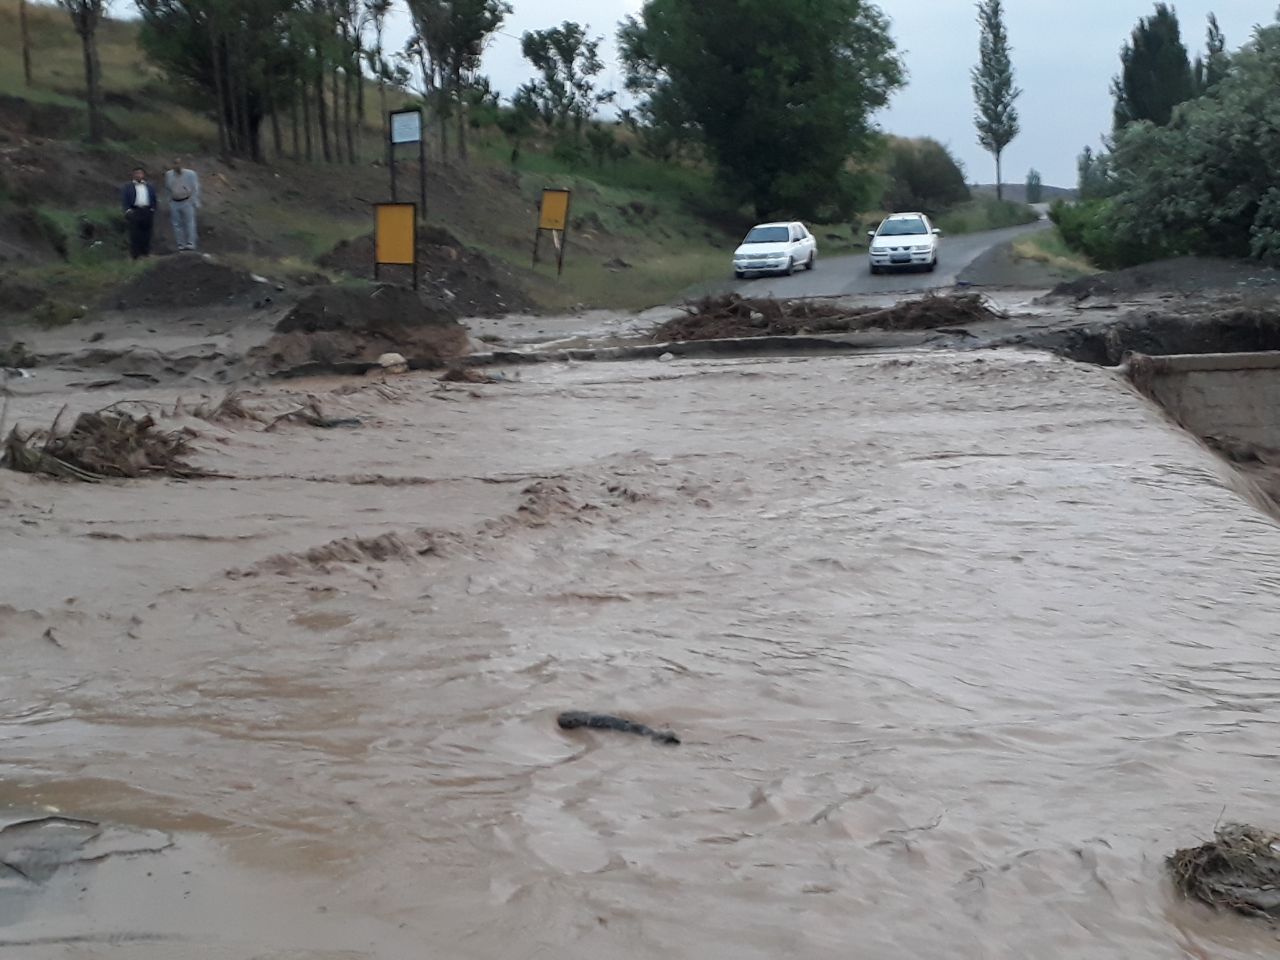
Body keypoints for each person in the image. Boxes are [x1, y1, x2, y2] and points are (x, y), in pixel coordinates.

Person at [164, 158, 201, 252]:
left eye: (179, 163)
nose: (177, 166)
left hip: (187, 201)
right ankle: (181, 244)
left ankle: (191, 243)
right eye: (175, 164)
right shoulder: (169, 175)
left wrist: (193, 200)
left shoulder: (190, 174)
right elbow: (167, 188)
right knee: (177, 224)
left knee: (189, 223)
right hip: (174, 201)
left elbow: (195, 187)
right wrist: (169, 200)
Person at [120, 166, 157, 259]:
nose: (138, 175)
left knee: (147, 233)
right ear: (133, 175)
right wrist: (127, 210)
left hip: (147, 210)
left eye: (140, 173)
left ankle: (146, 253)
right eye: (136, 173)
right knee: (135, 233)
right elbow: (124, 199)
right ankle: (135, 254)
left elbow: (154, 198)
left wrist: (153, 208)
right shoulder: (128, 187)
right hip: (135, 210)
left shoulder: (149, 186)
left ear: (143, 175)